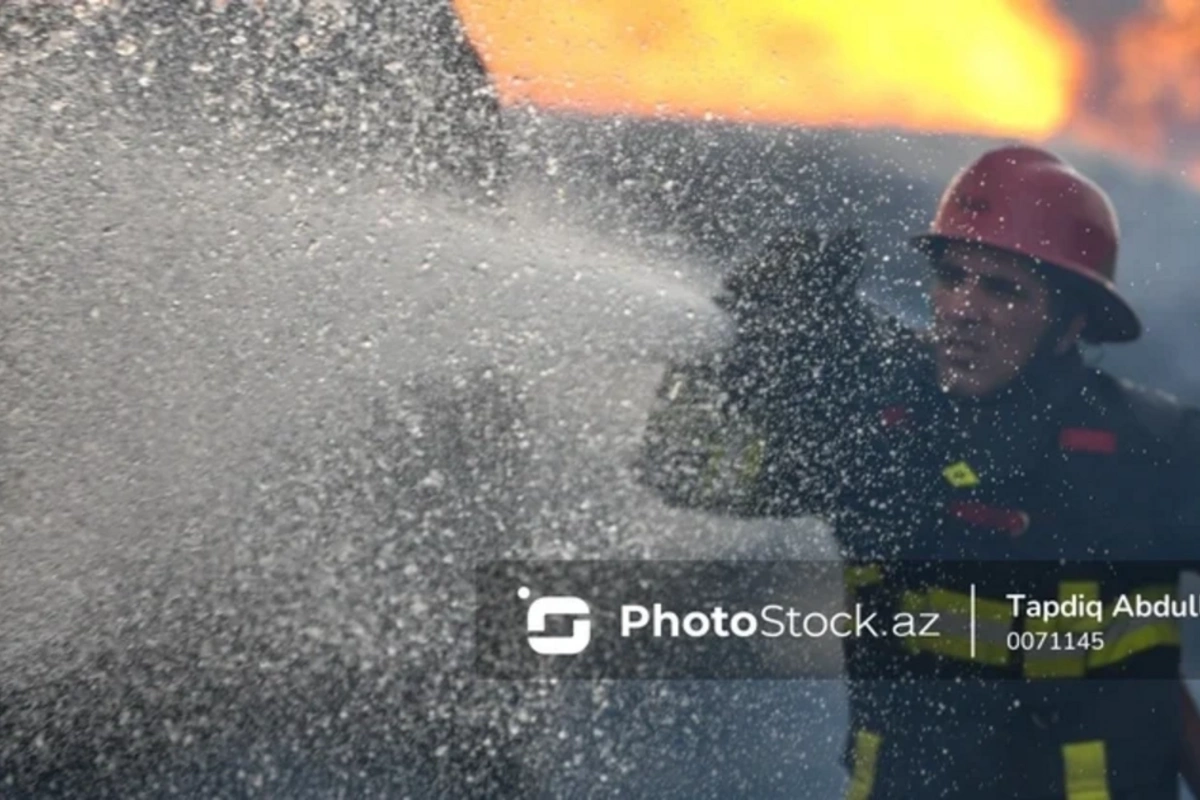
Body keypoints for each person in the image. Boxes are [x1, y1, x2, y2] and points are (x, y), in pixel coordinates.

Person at [638, 144, 1200, 799]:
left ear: (1071, 322)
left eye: (1002, 289)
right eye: (953, 276)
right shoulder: (876, 426)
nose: (964, 306)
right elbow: (685, 472)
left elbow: (1152, 679)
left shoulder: (1152, 449)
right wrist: (736, 367)